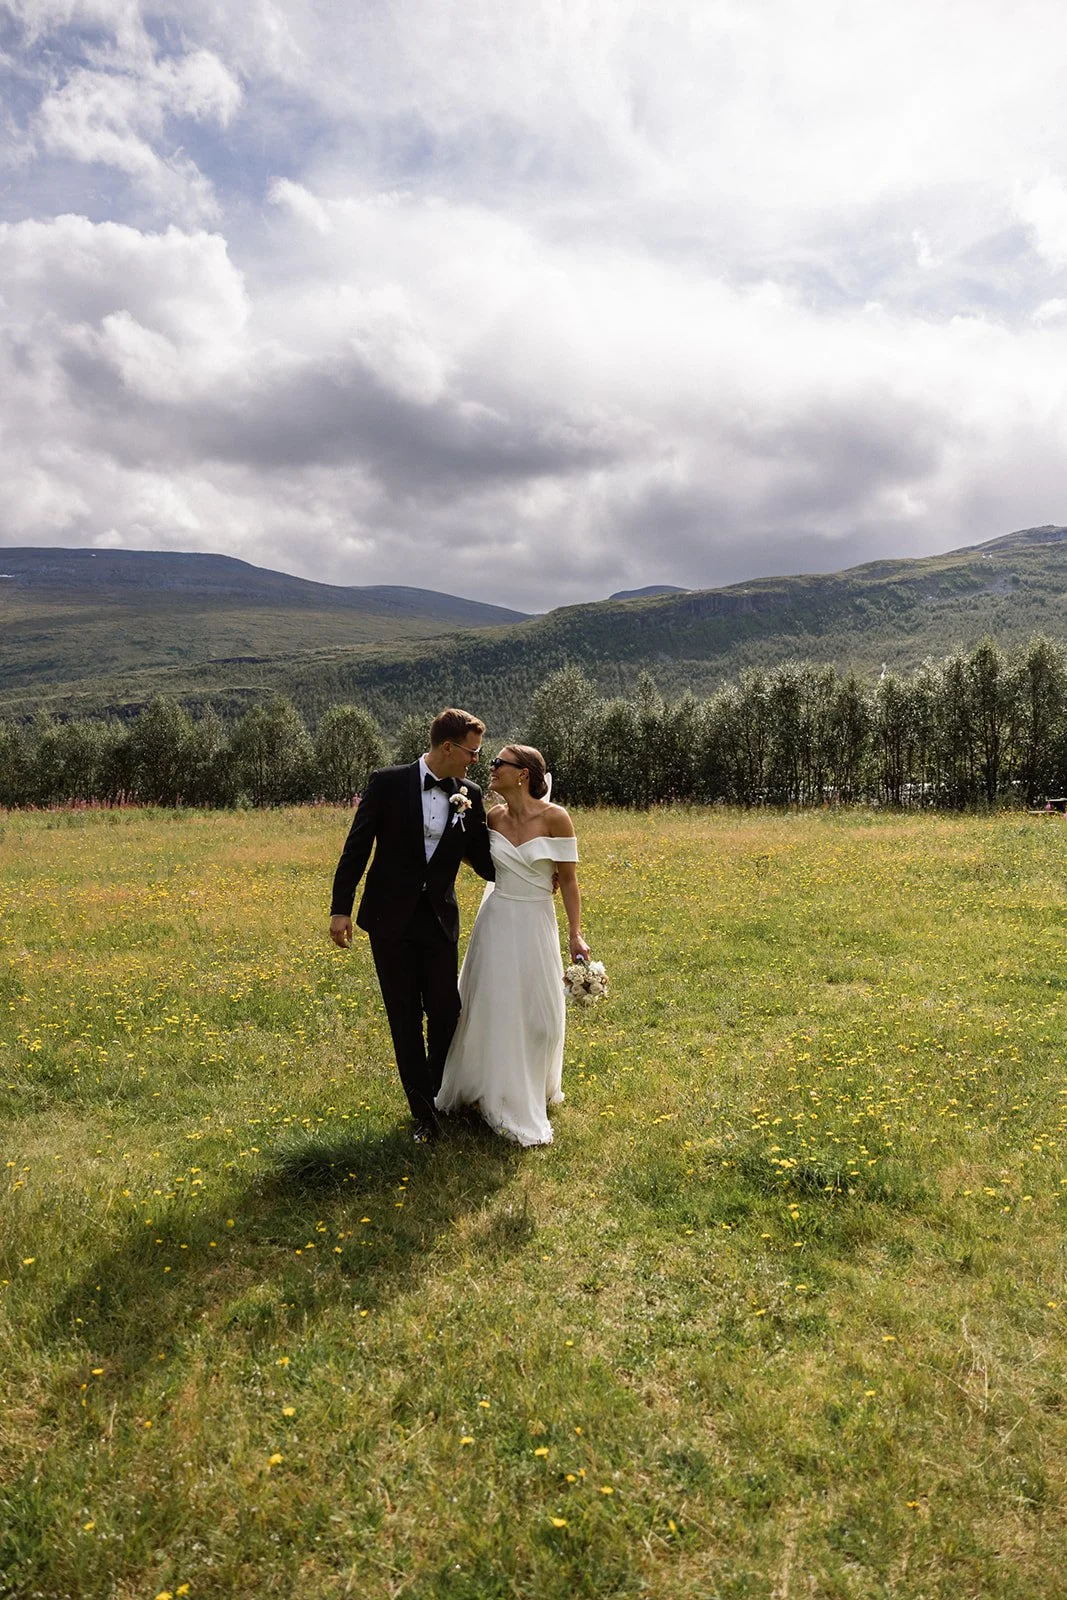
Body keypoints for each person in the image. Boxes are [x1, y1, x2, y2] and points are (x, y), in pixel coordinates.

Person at [329, 708, 494, 1142]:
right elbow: (357, 846)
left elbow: (482, 860)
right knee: (404, 1018)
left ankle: (438, 1090)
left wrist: (535, 871)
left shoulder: (470, 794)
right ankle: (424, 1114)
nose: (476, 760)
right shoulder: (386, 783)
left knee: (446, 1012)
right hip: (389, 921)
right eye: (472, 752)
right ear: (447, 747)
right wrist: (340, 908)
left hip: (439, 921)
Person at [435, 743, 590, 1146]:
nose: (490, 768)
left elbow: (569, 880)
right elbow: (480, 860)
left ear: (522, 773)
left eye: (498, 763)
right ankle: (491, 1083)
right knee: (492, 1004)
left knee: (539, 1010)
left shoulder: (557, 818)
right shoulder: (493, 817)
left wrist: (576, 933)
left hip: (536, 919)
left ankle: (532, 1082)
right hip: (497, 919)